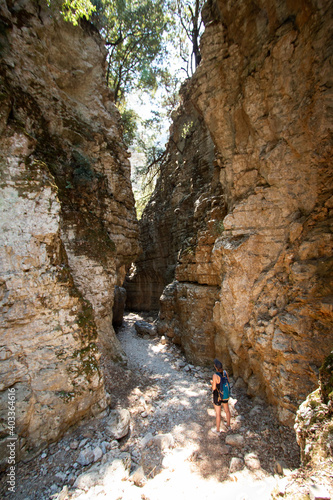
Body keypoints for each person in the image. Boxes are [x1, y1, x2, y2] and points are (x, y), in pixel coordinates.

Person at [210, 358, 231, 435]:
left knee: (218, 413)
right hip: (225, 394)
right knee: (227, 410)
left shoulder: (215, 375)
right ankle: (228, 425)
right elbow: (228, 382)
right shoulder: (225, 372)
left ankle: (218, 430)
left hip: (217, 395)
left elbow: (214, 388)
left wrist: (212, 382)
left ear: (215, 367)